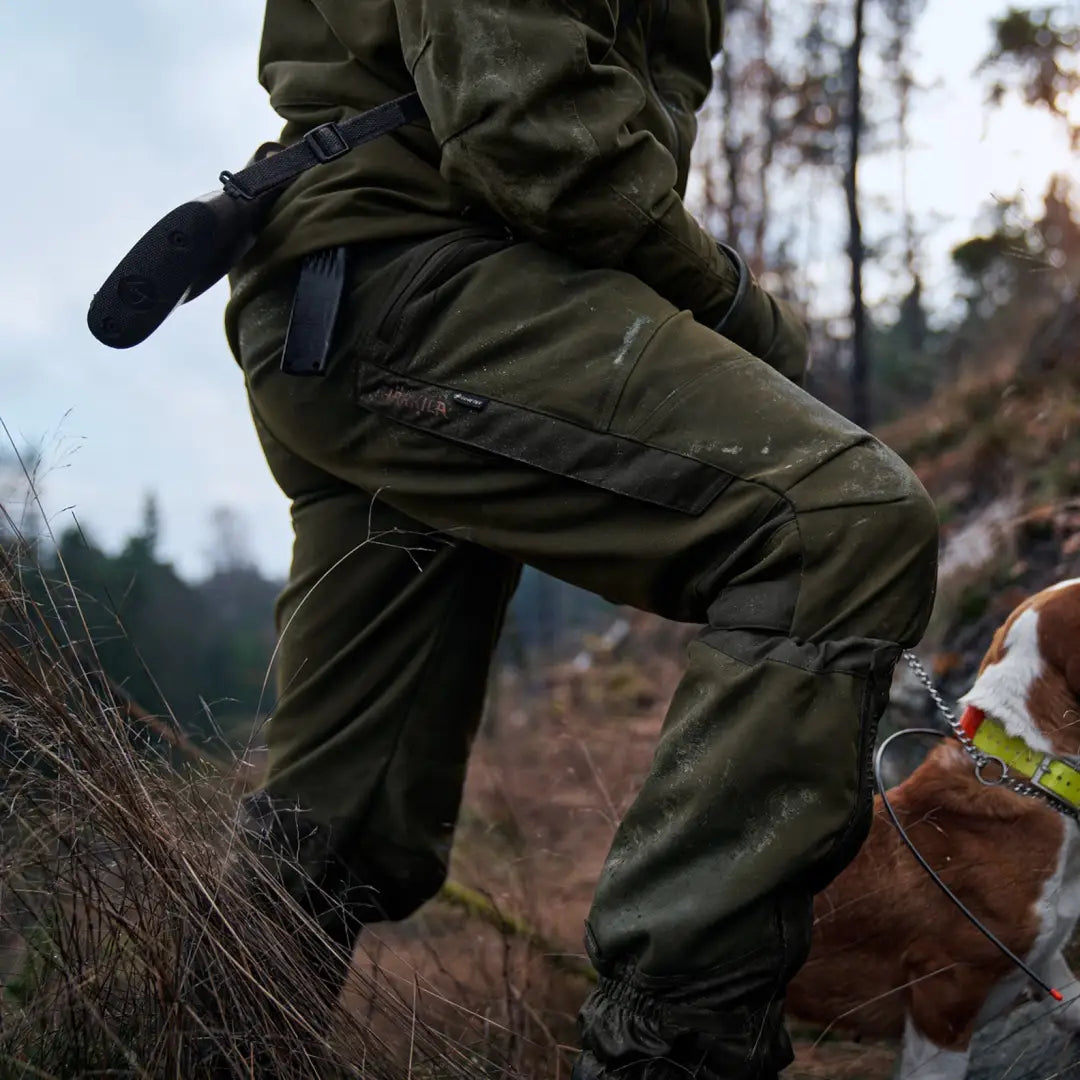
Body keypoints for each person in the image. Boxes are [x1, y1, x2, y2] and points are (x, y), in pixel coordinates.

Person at [222, 1, 940, 1076]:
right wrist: (743, 309)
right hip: (415, 281)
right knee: (837, 521)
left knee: (345, 808)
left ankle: (192, 1042)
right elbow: (532, 128)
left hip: (369, 291)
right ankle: (670, 1052)